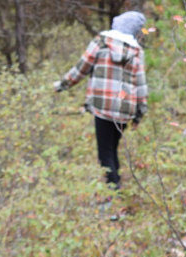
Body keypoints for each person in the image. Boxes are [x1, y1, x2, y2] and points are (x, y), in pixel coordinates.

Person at [55, 11, 148, 191]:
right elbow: (141, 84)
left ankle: (114, 194)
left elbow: (81, 68)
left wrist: (62, 85)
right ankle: (117, 186)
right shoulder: (136, 51)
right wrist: (140, 112)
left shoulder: (101, 42)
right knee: (112, 148)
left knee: (105, 153)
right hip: (124, 108)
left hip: (103, 106)